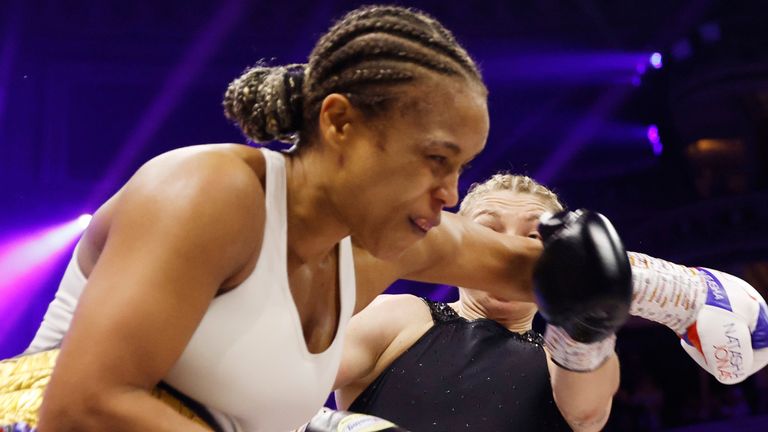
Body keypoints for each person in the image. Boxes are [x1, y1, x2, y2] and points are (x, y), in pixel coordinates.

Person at [0, 6, 626, 432]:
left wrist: (688, 296)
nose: (448, 193)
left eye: (460, 167)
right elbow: (83, 408)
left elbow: (559, 272)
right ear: (340, 124)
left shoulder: (386, 244)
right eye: (436, 160)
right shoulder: (210, 191)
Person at [325, 173, 768, 432]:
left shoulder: (566, 356)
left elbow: (588, 411)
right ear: (458, 240)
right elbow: (281, 371)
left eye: (534, 236)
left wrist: (597, 297)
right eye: (490, 229)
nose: (510, 248)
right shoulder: (403, 316)